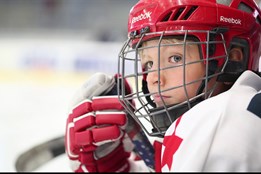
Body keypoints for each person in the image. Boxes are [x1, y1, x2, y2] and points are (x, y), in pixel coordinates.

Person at [65, 0, 261, 172]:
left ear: (233, 59)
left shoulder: (221, 122)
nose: (153, 78)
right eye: (149, 64)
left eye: (175, 58)